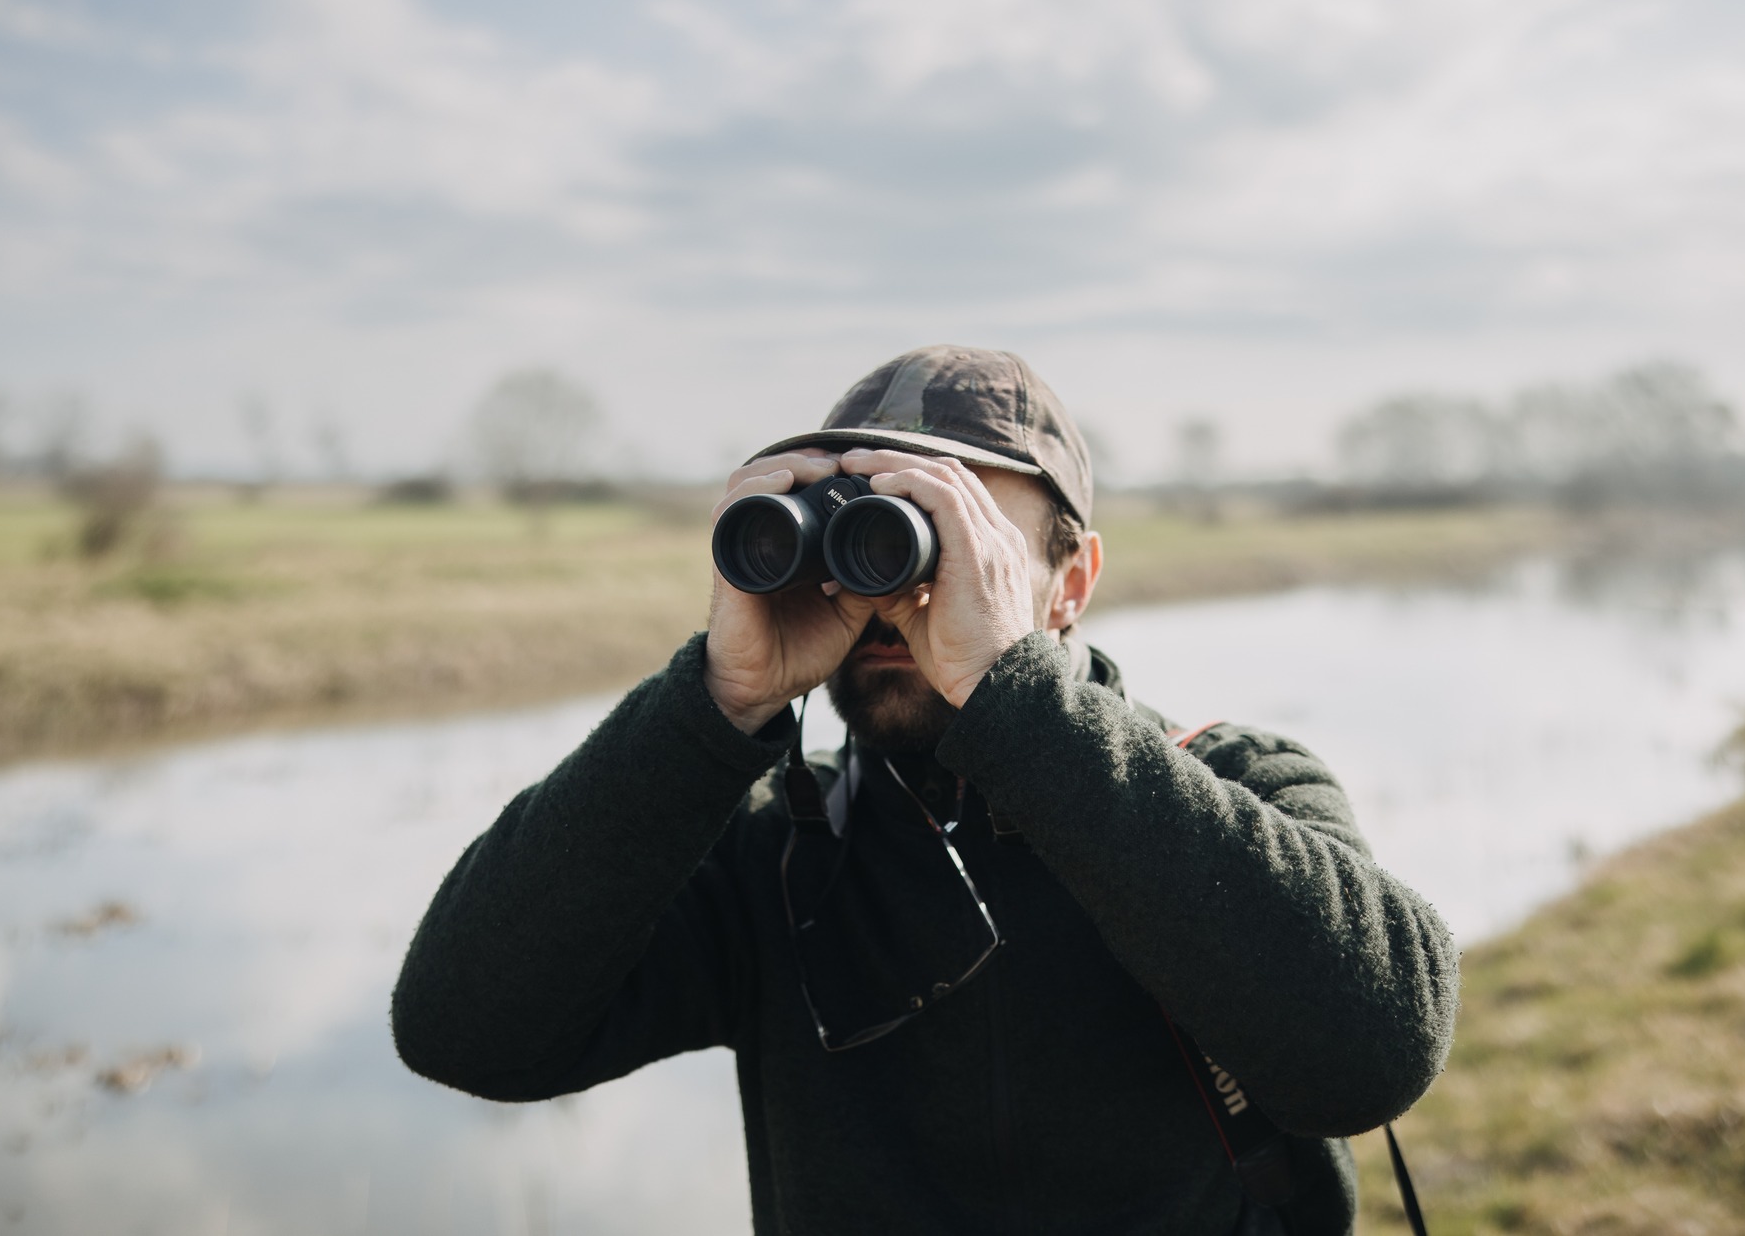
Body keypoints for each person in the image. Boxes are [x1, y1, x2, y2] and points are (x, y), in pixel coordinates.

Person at [392, 345, 1458, 1236]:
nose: (900, 598)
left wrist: (1019, 704)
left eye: (957, 545)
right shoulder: (770, 852)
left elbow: (1369, 1056)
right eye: (866, 536)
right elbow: (463, 1029)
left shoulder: (1235, 784)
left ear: (1069, 581)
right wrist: (715, 704)